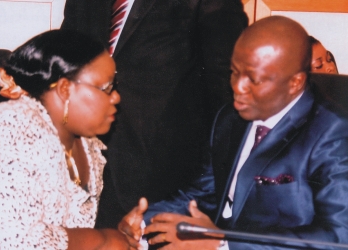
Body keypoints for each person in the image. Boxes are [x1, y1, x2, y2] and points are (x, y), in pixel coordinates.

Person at [119, 16, 348, 249]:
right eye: (234, 72)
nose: (238, 88)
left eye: (254, 79)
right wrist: (144, 222)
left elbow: (344, 238)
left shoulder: (337, 135)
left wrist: (223, 244)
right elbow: (206, 192)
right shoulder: (231, 119)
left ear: (295, 83)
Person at [61, 0, 249, 228]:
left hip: (164, 176)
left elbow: (225, 88)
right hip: (85, 169)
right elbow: (62, 59)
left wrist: (213, 179)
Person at [0, 29, 130, 249]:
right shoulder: (8, 133)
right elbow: (16, 241)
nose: (116, 97)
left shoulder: (86, 144)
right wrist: (102, 240)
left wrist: (118, 233)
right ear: (65, 89)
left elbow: (65, 229)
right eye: (106, 88)